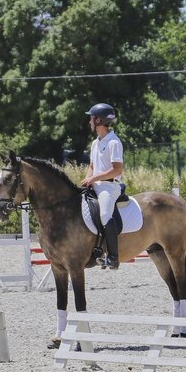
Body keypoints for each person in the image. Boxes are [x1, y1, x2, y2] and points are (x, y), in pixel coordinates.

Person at [79, 102, 123, 269]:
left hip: (109, 187)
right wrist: (87, 179)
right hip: (95, 184)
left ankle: (113, 257)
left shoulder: (114, 142)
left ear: (98, 120)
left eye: (91, 118)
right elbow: (92, 165)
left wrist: (94, 178)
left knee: (104, 215)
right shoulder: (95, 143)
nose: (89, 122)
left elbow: (117, 169)